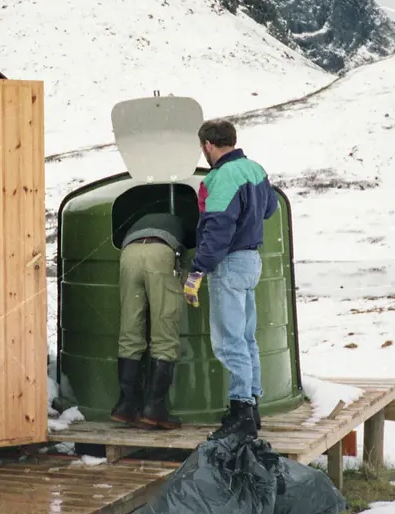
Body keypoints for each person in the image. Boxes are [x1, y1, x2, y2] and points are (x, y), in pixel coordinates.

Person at [183, 118, 277, 441]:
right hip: (252, 261)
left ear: (208, 146)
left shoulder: (221, 178)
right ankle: (251, 405)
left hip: (229, 265)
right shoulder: (256, 169)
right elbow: (270, 208)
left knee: (228, 340)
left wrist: (197, 271)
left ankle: (240, 412)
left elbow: (218, 231)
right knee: (247, 337)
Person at [110, 210, 187, 429]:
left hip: (129, 253)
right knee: (164, 332)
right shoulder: (183, 222)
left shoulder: (141, 219)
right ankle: (155, 407)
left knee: (130, 329)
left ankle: (126, 404)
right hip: (160, 253)